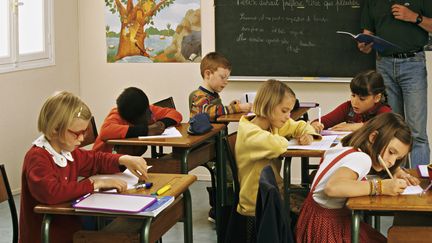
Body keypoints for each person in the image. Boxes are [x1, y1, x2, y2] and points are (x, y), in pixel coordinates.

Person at [19, 91, 149, 243]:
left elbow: (95, 160)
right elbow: (51, 192)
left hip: (71, 230)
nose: (81, 138)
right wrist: (95, 184)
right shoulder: (37, 157)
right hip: (47, 236)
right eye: (77, 133)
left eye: (84, 132)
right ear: (55, 129)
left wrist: (123, 159)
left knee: (136, 225)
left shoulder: (68, 151)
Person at [295, 112, 420, 243]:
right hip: (327, 228)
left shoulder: (347, 143)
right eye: (391, 152)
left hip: (312, 221)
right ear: (373, 137)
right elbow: (332, 188)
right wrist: (381, 187)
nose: (392, 162)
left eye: (398, 158)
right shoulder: (362, 159)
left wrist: (397, 171)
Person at [358, 0, 432, 168]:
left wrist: (414, 17)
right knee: (390, 129)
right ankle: (396, 178)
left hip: (412, 63)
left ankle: (420, 184)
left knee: (416, 131)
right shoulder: (372, 3)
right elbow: (367, 33)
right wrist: (364, 45)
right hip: (383, 64)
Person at [235, 79, 321, 217]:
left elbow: (301, 125)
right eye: (284, 111)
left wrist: (308, 134)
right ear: (268, 106)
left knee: (316, 200)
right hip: (257, 200)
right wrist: (289, 138)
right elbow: (277, 144)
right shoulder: (250, 133)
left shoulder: (272, 124)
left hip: (274, 190)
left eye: (290, 111)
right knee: (313, 210)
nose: (288, 117)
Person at [93, 87, 182, 155]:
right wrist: (146, 130)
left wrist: (162, 123)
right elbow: (105, 132)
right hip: (102, 163)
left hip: (126, 163)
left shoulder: (148, 109)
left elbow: (176, 114)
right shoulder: (117, 114)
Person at [311, 70, 391, 133]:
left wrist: (359, 126)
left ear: (377, 97)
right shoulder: (348, 107)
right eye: (353, 95)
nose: (355, 102)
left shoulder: (384, 110)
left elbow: (385, 125)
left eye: (362, 99)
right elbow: (323, 121)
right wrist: (315, 125)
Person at [188, 52, 252, 121]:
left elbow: (218, 115)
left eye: (227, 78)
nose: (226, 82)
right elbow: (208, 112)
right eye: (222, 77)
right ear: (208, 74)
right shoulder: (198, 95)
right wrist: (238, 108)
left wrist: (231, 107)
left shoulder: (214, 95)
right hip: (209, 132)